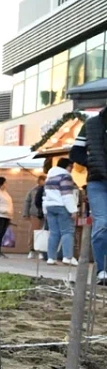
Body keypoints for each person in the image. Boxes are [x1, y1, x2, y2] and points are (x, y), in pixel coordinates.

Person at [70, 114, 107, 282]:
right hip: (98, 181)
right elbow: (75, 152)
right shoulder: (92, 124)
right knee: (103, 222)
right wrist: (93, 162)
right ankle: (103, 270)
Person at [44, 157, 79, 266]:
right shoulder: (65, 176)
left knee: (53, 233)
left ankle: (51, 257)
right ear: (68, 166)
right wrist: (73, 210)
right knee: (67, 232)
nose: (71, 170)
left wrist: (45, 210)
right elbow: (67, 194)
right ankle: (67, 257)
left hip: (50, 206)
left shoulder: (49, 177)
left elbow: (44, 196)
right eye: (71, 167)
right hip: (62, 206)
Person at [22, 174, 47, 260]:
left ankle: (41, 250)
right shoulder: (33, 190)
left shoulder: (48, 190)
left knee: (43, 232)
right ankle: (32, 249)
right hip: (35, 213)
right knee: (34, 232)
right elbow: (27, 202)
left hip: (45, 214)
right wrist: (25, 213)